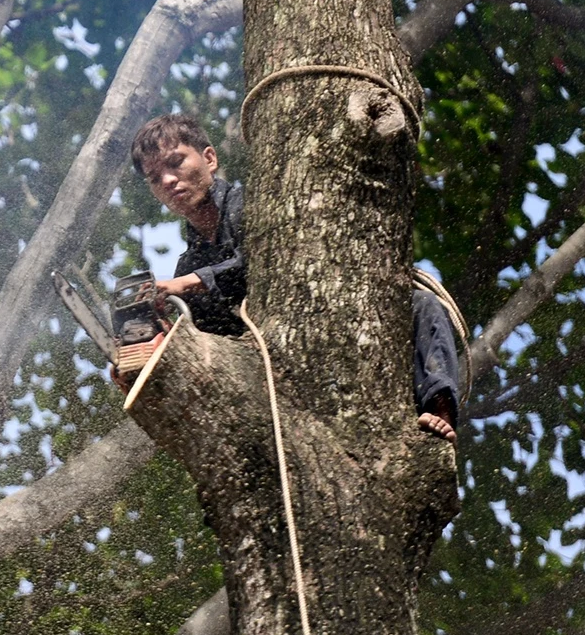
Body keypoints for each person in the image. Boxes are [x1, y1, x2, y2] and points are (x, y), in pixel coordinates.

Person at [129, 113, 462, 441]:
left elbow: (266, 260)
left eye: (175, 163)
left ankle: (440, 410)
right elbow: (204, 341)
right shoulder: (188, 263)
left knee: (421, 305)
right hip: (267, 379)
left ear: (209, 158)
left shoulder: (256, 204)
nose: (169, 180)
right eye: (155, 178)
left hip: (329, 320)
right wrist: (154, 341)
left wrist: (186, 283)